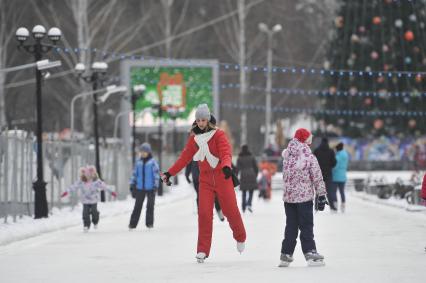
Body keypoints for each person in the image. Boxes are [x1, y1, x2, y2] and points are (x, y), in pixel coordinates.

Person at [161, 104, 246, 263]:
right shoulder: (194, 138)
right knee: (204, 214)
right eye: (198, 120)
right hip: (205, 180)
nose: (200, 123)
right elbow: (184, 158)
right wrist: (169, 173)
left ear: (208, 120)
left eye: (203, 120)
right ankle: (202, 250)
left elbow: (225, 152)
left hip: (222, 177)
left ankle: (240, 237)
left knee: (230, 212)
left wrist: (227, 166)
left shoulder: (218, 135)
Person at [279, 128, 327, 267]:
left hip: (289, 199)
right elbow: (317, 177)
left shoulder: (287, 155)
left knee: (291, 226)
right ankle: (310, 253)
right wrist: (321, 194)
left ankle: (286, 254)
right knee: (306, 226)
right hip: (304, 198)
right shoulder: (308, 156)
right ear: (306, 140)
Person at [61, 165, 117, 232]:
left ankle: (95, 221)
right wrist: (66, 192)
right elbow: (74, 186)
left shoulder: (96, 181)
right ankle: (86, 225)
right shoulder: (81, 181)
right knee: (85, 213)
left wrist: (111, 192)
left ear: (92, 174)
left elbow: (104, 186)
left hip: (94, 200)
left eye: (89, 175)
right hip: (85, 200)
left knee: (94, 212)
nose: (88, 177)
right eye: (86, 175)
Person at [128, 142, 160, 230]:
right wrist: (132, 184)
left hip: (151, 188)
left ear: (149, 152)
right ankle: (132, 224)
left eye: (145, 151)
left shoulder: (153, 163)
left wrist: (156, 185)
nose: (143, 153)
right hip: (140, 188)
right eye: (141, 151)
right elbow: (134, 174)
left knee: (150, 205)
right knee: (137, 206)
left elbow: (156, 175)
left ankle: (149, 223)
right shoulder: (138, 163)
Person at [314, 137, 337, 212]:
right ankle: (332, 207)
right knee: (329, 191)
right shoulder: (331, 151)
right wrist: (329, 166)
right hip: (328, 173)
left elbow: (313, 161)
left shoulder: (317, 151)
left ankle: (316, 206)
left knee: (318, 190)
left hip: (318, 173)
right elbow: (334, 163)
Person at [236, 145, 258, 213]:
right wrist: (255, 175)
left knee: (244, 191)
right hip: (251, 174)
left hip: (243, 175)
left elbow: (237, 168)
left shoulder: (239, 158)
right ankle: (249, 204)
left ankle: (243, 207)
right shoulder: (252, 157)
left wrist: (236, 176)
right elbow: (256, 167)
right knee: (251, 191)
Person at [332, 142, 349, 213]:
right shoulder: (345, 155)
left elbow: (335, 166)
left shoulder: (338, 156)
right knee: (342, 192)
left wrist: (332, 169)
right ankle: (343, 205)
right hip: (343, 176)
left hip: (336, 176)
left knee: (334, 191)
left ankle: (335, 205)